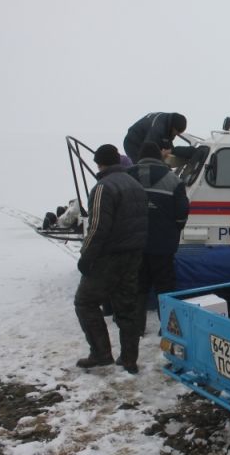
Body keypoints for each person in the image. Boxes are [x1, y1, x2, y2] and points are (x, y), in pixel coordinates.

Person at [73, 144, 148, 374]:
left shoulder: (102, 188)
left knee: (85, 302)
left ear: (99, 163)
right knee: (126, 308)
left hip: (108, 258)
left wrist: (86, 257)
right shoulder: (136, 185)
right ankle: (129, 359)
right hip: (134, 256)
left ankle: (101, 353)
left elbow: (96, 228)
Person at [126, 142, 189, 336]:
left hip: (134, 244)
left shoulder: (127, 177)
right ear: (159, 157)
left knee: (137, 287)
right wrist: (172, 230)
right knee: (166, 287)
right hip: (163, 244)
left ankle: (136, 328)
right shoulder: (173, 180)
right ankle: (168, 328)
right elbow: (182, 213)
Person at [123, 112, 187, 164]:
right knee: (144, 165)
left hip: (145, 140)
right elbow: (148, 148)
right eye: (176, 133)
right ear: (173, 127)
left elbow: (167, 144)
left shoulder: (168, 123)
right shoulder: (158, 129)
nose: (176, 135)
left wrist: (172, 151)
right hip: (132, 144)